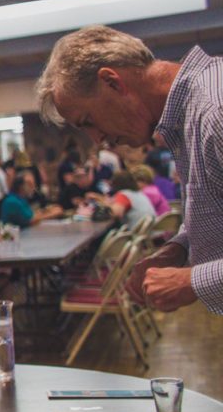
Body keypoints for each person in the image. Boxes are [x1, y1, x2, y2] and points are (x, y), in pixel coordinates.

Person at [35, 24, 223, 314]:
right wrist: (180, 248)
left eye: (87, 121)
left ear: (112, 82)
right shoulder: (189, 115)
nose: (97, 139)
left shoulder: (215, 112)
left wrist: (192, 281)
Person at [86, 170, 156, 230]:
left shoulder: (124, 194)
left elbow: (114, 213)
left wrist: (104, 207)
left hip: (138, 237)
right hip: (148, 232)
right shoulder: (138, 193)